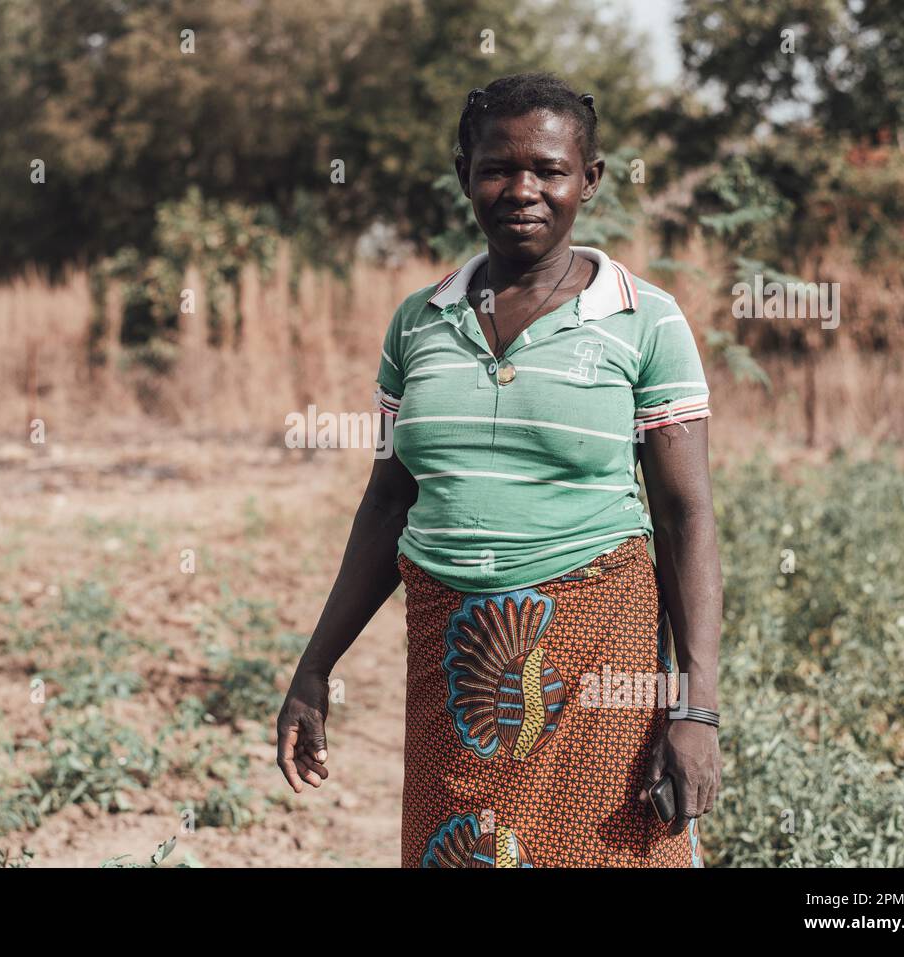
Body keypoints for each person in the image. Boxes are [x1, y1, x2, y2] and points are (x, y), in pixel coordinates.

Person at [276, 72, 723, 867]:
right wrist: (316, 667)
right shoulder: (418, 321)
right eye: (497, 168)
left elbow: (686, 516)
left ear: (590, 180)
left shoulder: (644, 319)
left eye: (550, 170)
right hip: (453, 666)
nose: (523, 190)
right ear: (464, 176)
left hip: (599, 665)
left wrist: (697, 708)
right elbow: (387, 501)